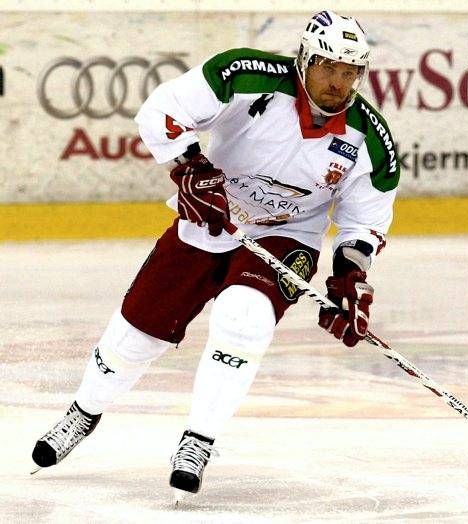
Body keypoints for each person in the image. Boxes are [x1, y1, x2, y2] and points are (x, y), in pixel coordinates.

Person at [30, 10, 399, 497]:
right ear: (305, 59)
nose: (338, 82)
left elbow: (363, 221)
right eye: (328, 66)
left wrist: (350, 277)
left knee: (243, 316)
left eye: (350, 71)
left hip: (289, 235)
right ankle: (84, 411)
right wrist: (190, 167)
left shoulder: (370, 138)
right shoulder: (246, 75)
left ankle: (198, 441)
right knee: (137, 332)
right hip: (210, 216)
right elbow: (162, 110)